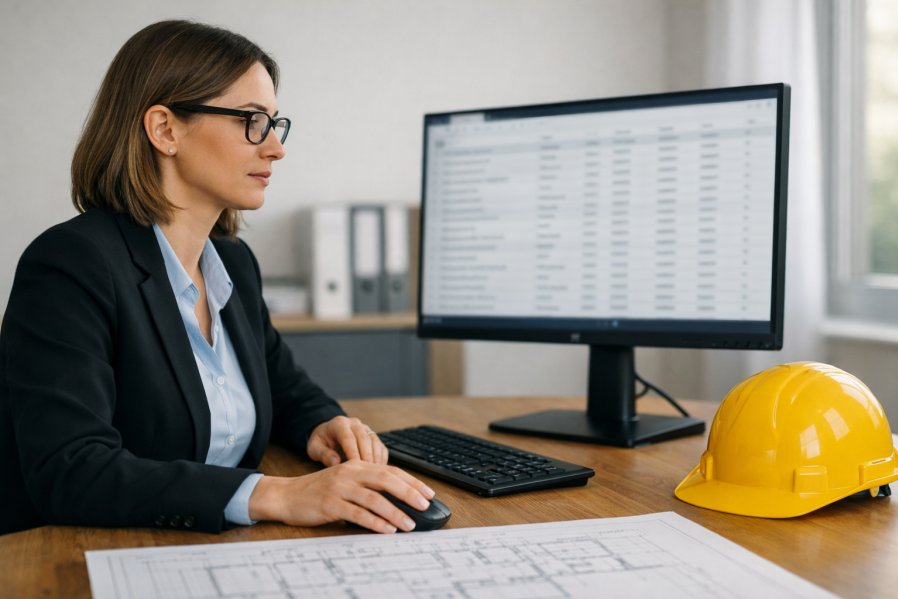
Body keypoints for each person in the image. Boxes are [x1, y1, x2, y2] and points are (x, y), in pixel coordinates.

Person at [0, 20, 434, 537]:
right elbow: (70, 470)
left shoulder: (234, 265)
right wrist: (276, 494)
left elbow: (285, 387)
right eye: (252, 121)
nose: (275, 148)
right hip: (86, 556)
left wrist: (324, 423)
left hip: (210, 549)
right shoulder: (71, 264)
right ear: (164, 130)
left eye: (275, 123)